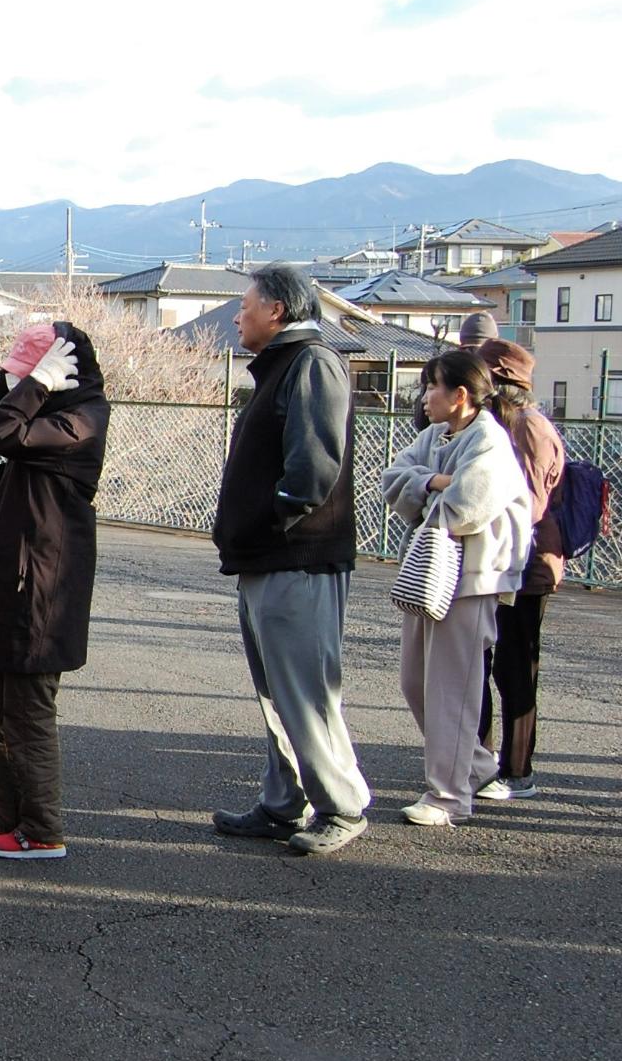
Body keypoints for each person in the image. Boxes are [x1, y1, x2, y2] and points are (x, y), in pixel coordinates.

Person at [210, 265, 372, 855]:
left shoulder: (313, 362)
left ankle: (342, 804)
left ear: (276, 309)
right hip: (268, 555)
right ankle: (284, 803)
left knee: (305, 688)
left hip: (297, 556)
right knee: (277, 690)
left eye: (245, 305)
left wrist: (275, 514)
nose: (237, 315)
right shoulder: (284, 365)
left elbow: (314, 464)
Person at [0, 321, 110, 862]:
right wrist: (23, 374)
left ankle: (42, 830)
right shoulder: (48, 403)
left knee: (28, 713)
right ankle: (9, 817)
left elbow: (2, 433)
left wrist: (39, 382)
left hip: (43, 585)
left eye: (35, 373)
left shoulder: (82, 416)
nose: (24, 383)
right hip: (16, 576)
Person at [379, 350, 533, 826]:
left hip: (473, 578)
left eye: (432, 387)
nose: (424, 397)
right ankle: (479, 766)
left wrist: (425, 486)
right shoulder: (433, 436)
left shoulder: (491, 441)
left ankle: (448, 797)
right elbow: (392, 479)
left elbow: (468, 505)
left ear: (460, 395)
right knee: (416, 681)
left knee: (452, 687)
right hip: (429, 574)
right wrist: (435, 483)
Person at [473, 340, 564, 801]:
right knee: (484, 662)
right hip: (500, 561)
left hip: (528, 569)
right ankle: (483, 764)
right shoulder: (501, 425)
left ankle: (517, 769)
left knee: (515, 667)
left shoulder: (529, 427)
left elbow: (528, 503)